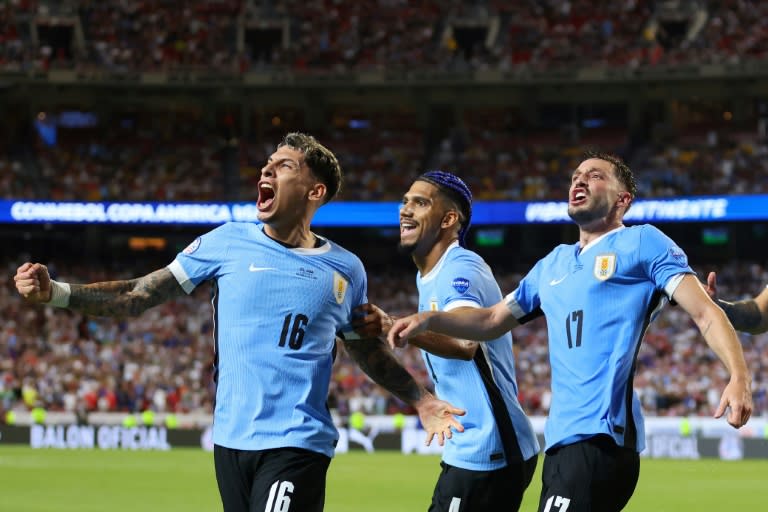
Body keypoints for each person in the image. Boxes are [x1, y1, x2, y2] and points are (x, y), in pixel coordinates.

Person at [14, 132, 465, 512]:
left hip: (298, 442)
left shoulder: (346, 269)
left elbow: (365, 350)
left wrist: (421, 399)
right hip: (231, 443)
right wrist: (56, 292)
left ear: (315, 192)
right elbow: (138, 295)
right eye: (267, 165)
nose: (267, 172)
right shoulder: (226, 241)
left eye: (284, 166)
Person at [388, 152, 753, 512]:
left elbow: (706, 313)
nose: (579, 180)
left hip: (602, 437)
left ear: (622, 200)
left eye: (595, 176)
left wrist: (738, 377)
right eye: (576, 176)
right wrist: (429, 320)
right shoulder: (553, 264)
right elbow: (489, 321)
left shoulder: (643, 242)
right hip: (560, 442)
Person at [352, 171, 539, 512]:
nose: (405, 209)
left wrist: (393, 325)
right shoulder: (429, 276)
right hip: (477, 446)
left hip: (489, 449)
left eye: (420, 202)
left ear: (449, 219)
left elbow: (466, 344)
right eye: (405, 201)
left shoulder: (459, 269)